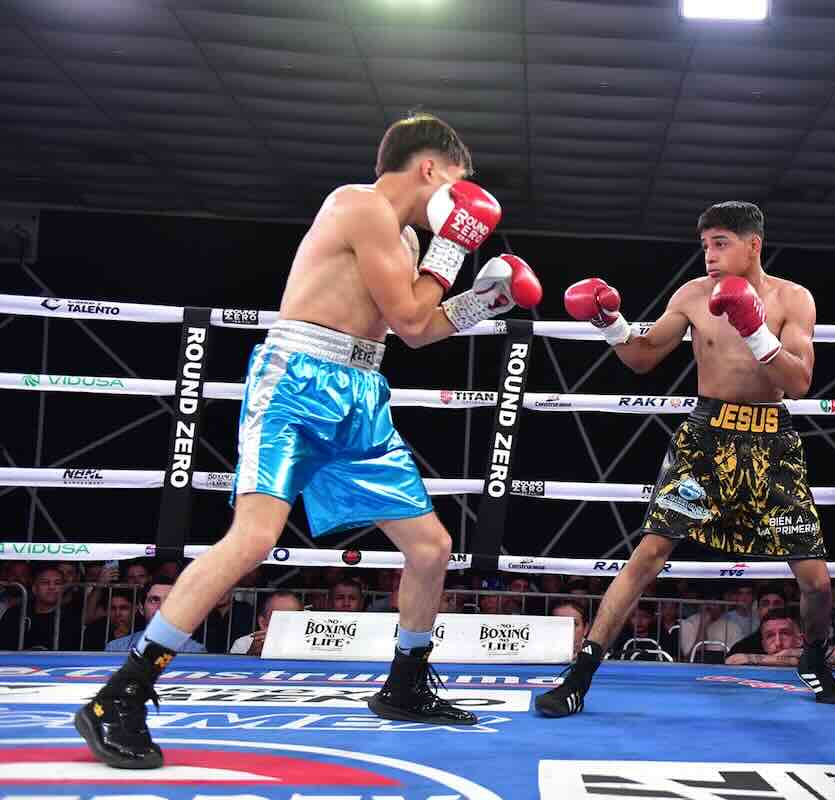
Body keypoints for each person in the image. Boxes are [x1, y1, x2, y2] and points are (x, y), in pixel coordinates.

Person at [74, 112, 543, 769]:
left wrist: (482, 305)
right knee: (254, 538)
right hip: (296, 381)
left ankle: (406, 683)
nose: (462, 204)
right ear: (431, 170)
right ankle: (120, 695)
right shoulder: (358, 206)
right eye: (459, 184)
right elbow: (411, 314)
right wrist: (458, 249)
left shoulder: (404, 240)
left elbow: (416, 330)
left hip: (360, 394)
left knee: (432, 548)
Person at [537, 201, 835, 717]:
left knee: (815, 580)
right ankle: (579, 676)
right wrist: (608, 322)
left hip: (772, 443)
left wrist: (755, 330)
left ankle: (814, 657)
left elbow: (798, 381)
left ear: (754, 245)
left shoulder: (793, 298)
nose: (709, 255)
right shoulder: (692, 296)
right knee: (648, 555)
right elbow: (641, 356)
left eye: (721, 243)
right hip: (705, 441)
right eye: (704, 244)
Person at [230, 590, 304, 656]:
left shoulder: (313, 644)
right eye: (279, 617)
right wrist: (252, 655)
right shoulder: (244, 644)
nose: (287, 623)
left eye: (293, 616)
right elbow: (232, 670)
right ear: (262, 622)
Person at [727, 584, 788, 656]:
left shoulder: (796, 645)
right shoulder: (741, 649)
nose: (771, 608)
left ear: (785, 608)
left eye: (777, 604)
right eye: (765, 604)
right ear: (758, 609)